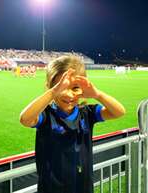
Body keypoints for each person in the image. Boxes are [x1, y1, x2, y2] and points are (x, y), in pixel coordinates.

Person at [19, 55, 125, 193]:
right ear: (50, 87)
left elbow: (119, 112)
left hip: (83, 188)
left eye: (75, 88)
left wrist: (97, 94)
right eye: (61, 87)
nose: (69, 95)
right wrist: (53, 92)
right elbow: (25, 119)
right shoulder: (46, 115)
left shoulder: (87, 113)